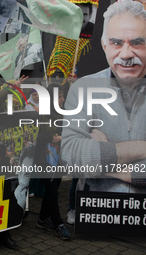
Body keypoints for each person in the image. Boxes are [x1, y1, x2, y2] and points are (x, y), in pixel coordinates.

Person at [61, 0, 146, 193]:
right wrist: (140, 149)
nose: (125, 54)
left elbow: (87, 160)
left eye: (137, 42)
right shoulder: (84, 88)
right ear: (104, 45)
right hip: (97, 216)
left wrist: (105, 162)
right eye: (116, 42)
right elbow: (71, 153)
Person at [35, 83, 70, 240]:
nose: (62, 99)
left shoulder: (63, 113)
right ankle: (58, 224)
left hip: (59, 158)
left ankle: (42, 219)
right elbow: (34, 137)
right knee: (52, 191)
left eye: (63, 96)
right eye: (59, 97)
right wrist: (51, 138)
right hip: (45, 159)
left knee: (53, 188)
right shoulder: (41, 114)